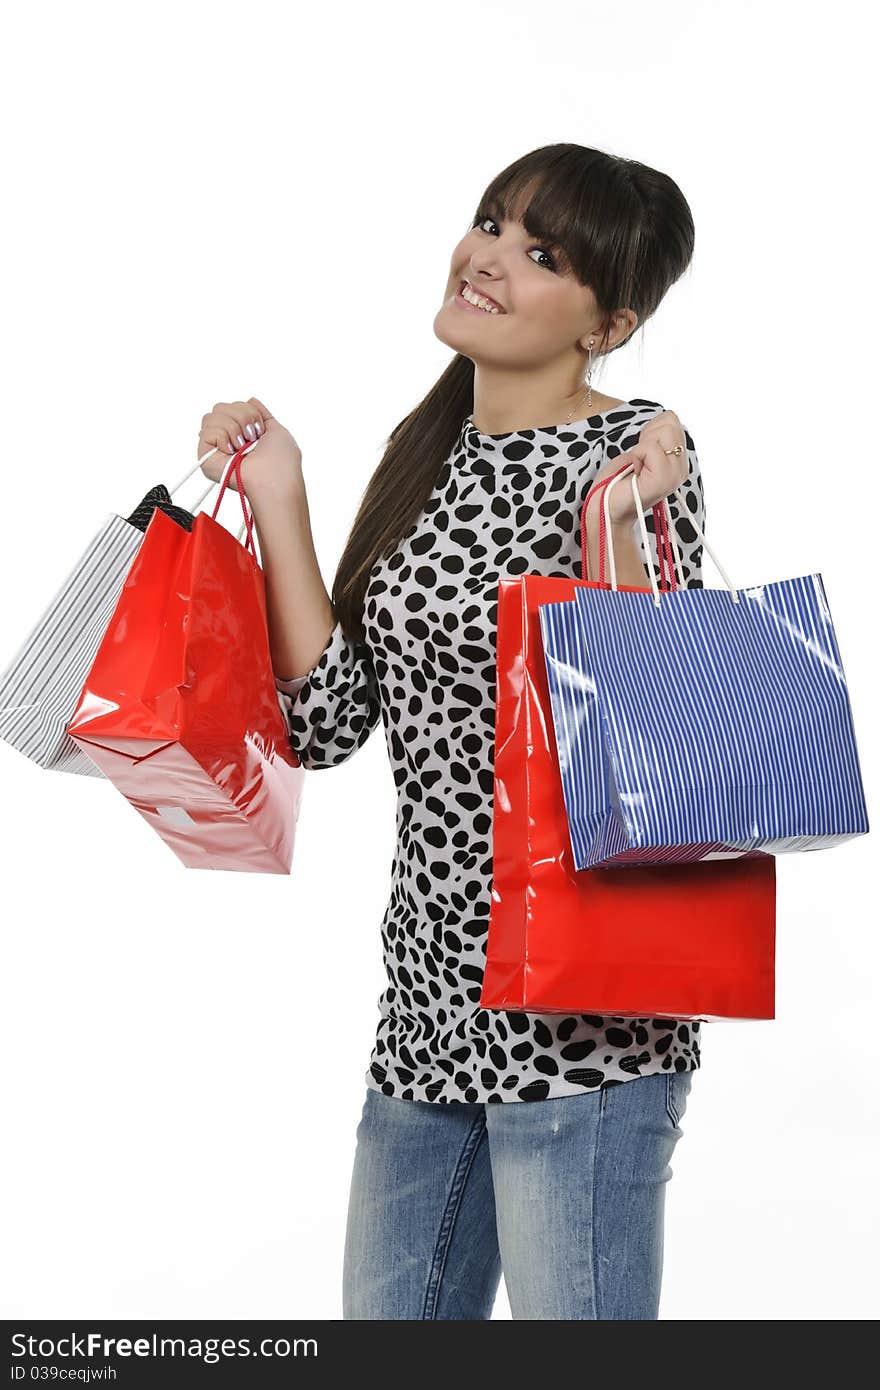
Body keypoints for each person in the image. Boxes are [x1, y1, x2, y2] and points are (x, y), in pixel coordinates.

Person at [198, 142, 706, 1320]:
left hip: (583, 1029)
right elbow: (325, 725)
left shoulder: (629, 462)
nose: (487, 258)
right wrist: (282, 491)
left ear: (609, 324)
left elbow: (640, 756)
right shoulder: (423, 458)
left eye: (541, 255)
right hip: (426, 1008)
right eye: (492, 222)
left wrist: (620, 529)